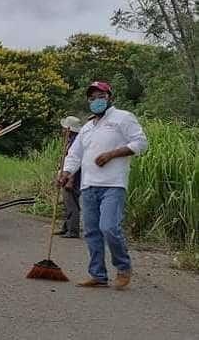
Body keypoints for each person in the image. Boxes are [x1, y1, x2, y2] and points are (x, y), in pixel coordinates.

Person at [59, 81, 148, 289]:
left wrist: (112, 154)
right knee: (91, 232)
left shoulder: (123, 118)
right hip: (89, 185)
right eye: (92, 98)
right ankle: (98, 274)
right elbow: (75, 154)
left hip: (113, 184)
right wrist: (66, 172)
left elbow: (141, 143)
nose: (96, 101)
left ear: (110, 98)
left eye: (100, 96)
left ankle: (123, 267)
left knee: (109, 227)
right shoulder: (88, 127)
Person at [57, 116, 82, 239]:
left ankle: (73, 230)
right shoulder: (70, 141)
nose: (62, 131)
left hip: (74, 178)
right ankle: (66, 228)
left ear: (69, 129)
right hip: (68, 176)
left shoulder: (76, 142)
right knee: (67, 204)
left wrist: (70, 180)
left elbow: (77, 162)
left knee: (72, 204)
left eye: (64, 128)